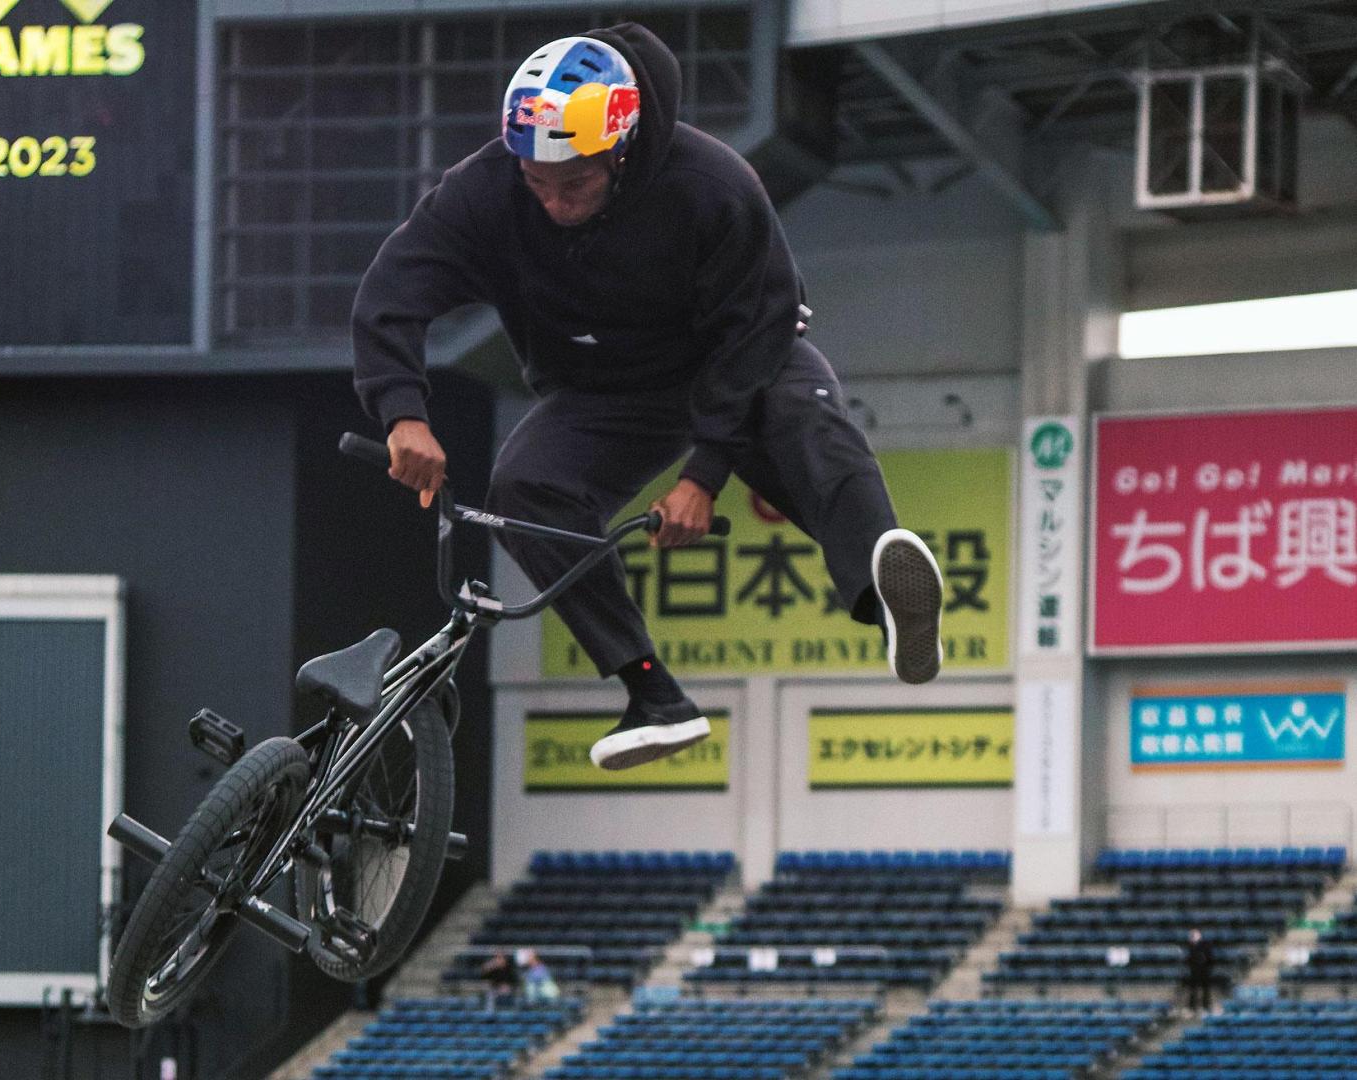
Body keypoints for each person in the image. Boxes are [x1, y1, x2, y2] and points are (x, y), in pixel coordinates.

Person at [352, 24, 945, 770]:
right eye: (537, 183)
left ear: (621, 153)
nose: (553, 202)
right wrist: (403, 410)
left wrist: (703, 476)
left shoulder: (713, 185)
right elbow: (391, 290)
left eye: (574, 184)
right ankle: (652, 694)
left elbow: (757, 329)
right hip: (610, 387)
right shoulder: (487, 188)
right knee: (525, 485)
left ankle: (884, 599)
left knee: (807, 420)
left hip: (740, 359)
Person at [1184, 927, 1215, 1012]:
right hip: (1194, 972)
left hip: (1204, 971)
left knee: (1205, 990)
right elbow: (1188, 960)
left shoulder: (1205, 947)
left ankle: (1206, 1006)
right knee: (1193, 990)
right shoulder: (1190, 947)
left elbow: (1210, 959)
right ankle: (1192, 1007)